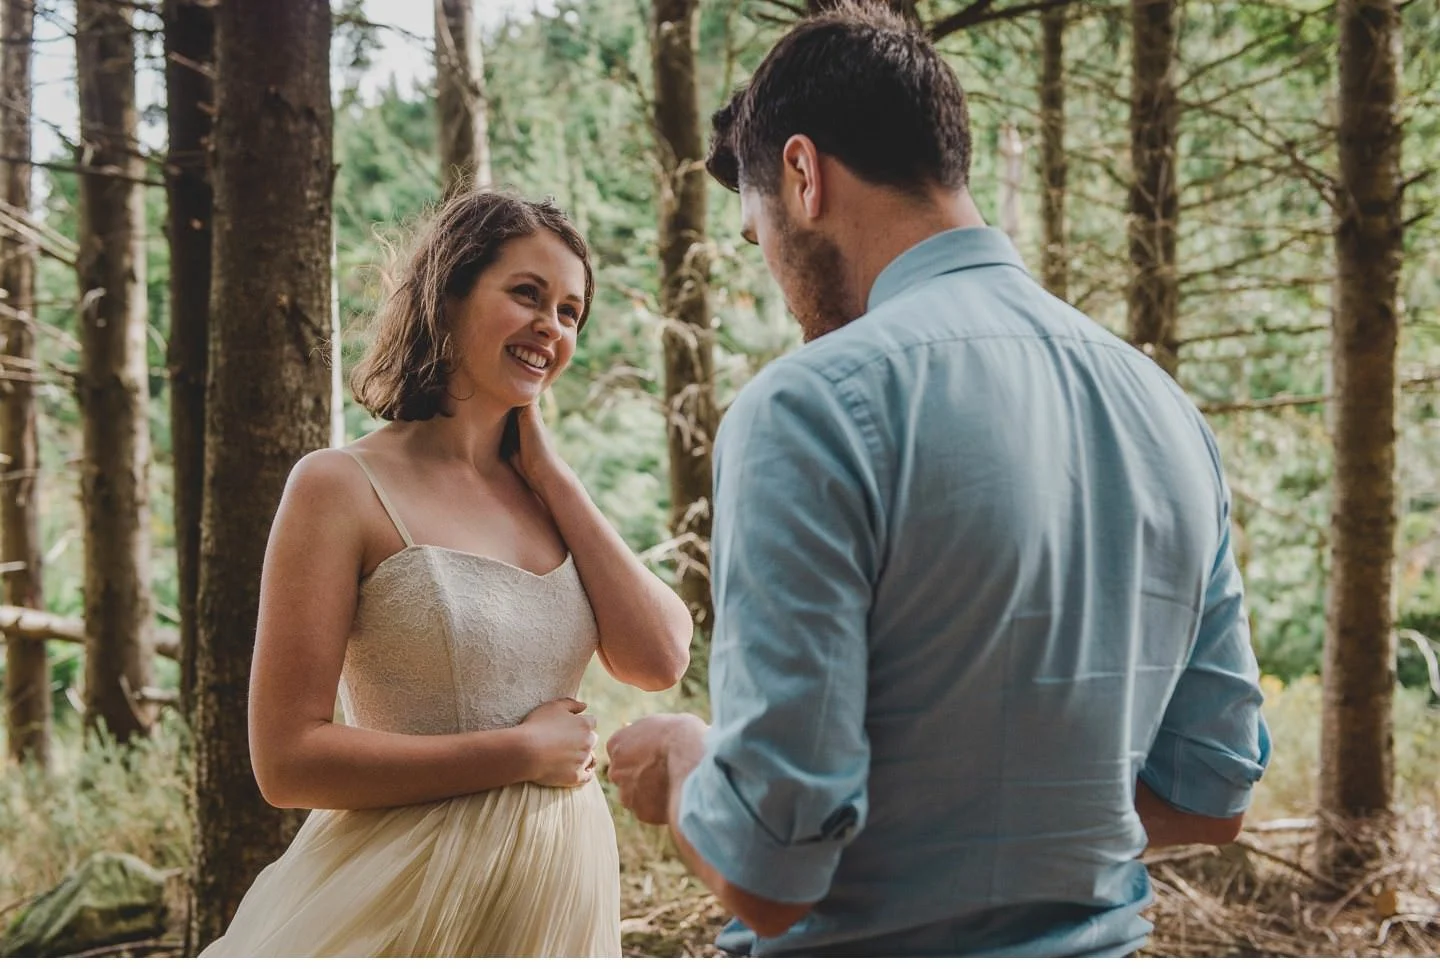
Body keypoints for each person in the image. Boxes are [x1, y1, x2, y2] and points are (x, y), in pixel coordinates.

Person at [606, 2, 1271, 958]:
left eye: (759, 240)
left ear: (801, 175)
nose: (780, 287)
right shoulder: (1167, 410)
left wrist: (679, 763)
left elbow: (769, 872)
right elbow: (1212, 793)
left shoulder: (807, 406)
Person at [200, 190, 693, 957]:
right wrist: (519, 754)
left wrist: (557, 479)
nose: (550, 327)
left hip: (558, 897)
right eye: (527, 294)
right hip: (407, 893)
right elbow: (286, 759)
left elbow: (659, 658)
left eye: (570, 312)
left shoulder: (548, 495)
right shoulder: (337, 485)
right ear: (450, 292)